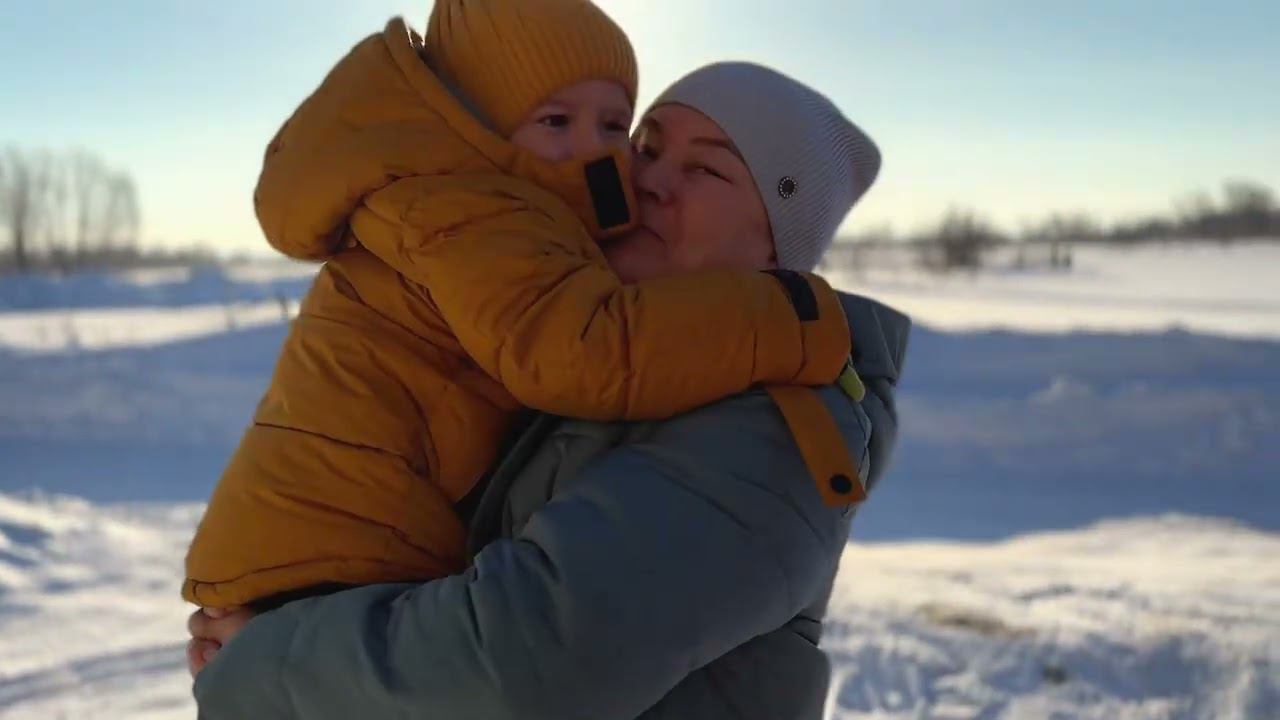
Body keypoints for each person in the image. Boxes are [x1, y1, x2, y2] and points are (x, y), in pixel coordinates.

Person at [190, 62, 908, 720]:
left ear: (779, 251)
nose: (650, 180)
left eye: (708, 172)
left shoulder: (775, 432)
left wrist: (266, 660)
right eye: (648, 146)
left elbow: (523, 664)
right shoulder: (584, 367)